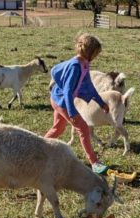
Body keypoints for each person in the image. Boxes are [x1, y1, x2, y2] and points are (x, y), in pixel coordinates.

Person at [45, 33, 110, 174]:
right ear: (90, 52)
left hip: (58, 98)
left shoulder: (84, 65)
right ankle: (94, 162)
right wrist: (73, 112)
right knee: (83, 128)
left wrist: (101, 103)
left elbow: (89, 86)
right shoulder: (76, 66)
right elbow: (68, 91)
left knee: (58, 129)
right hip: (62, 101)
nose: (97, 56)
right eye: (96, 53)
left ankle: (37, 148)